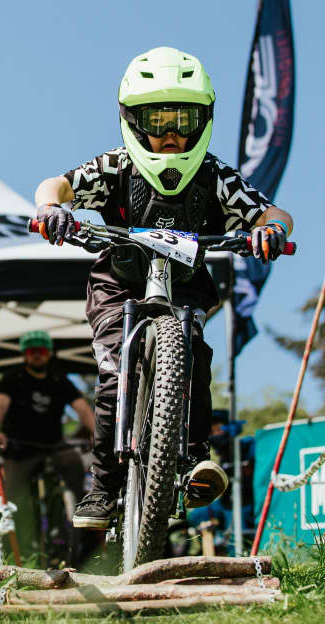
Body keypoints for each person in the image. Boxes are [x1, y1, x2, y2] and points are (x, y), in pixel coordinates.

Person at [33, 47, 294, 529]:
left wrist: (270, 230)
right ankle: (105, 484)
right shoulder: (115, 167)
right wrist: (53, 209)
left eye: (183, 121)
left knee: (193, 353)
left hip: (186, 288)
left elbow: (271, 211)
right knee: (114, 373)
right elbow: (58, 185)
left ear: (204, 120)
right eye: (157, 121)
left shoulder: (214, 175)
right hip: (119, 286)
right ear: (132, 120)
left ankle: (195, 457)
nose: (171, 135)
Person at [0, 329, 96, 558]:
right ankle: (14, 552)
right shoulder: (13, 379)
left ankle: (75, 514)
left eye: (41, 351)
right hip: (20, 449)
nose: (37, 355)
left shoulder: (59, 380)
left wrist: (97, 433)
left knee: (73, 462)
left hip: (53, 446)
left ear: (49, 354)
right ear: (24, 355)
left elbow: (82, 409)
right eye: (31, 351)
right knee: (15, 499)